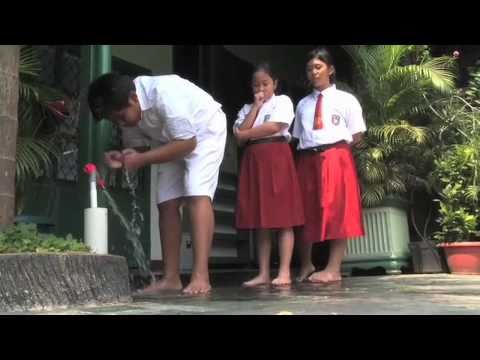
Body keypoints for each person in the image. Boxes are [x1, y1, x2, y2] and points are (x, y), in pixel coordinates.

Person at [87, 73, 227, 294]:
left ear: (133, 98)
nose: (120, 123)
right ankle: (171, 278)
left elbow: (188, 143)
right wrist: (124, 157)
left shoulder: (165, 93)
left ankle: (201, 276)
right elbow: (140, 149)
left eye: (121, 117)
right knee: (166, 201)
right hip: (172, 140)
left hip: (204, 130)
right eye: (114, 121)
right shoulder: (127, 110)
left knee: (196, 192)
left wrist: (141, 159)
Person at [293, 47, 366, 283]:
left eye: (318, 67)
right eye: (309, 68)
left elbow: (357, 134)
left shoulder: (346, 100)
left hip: (336, 156)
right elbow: (298, 135)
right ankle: (306, 264)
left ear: (330, 69)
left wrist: (334, 151)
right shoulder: (303, 104)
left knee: (337, 209)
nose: (313, 72)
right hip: (307, 159)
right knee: (304, 210)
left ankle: (333, 268)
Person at [233, 63, 305, 287]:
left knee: (283, 218)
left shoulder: (282, 101)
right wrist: (255, 108)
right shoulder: (246, 108)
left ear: (275, 83)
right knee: (260, 219)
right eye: (256, 85)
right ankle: (263, 272)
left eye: (265, 83)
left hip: (276, 156)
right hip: (254, 160)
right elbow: (237, 137)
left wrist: (245, 133)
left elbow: (275, 127)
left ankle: (284, 272)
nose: (261, 88)